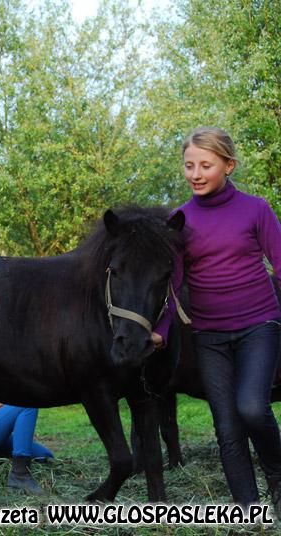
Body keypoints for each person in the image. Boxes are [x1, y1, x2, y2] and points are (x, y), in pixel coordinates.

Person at [153, 126, 281, 510]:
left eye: (205, 165)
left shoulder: (256, 208)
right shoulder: (180, 218)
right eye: (189, 165)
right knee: (226, 427)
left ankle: (277, 476)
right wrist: (160, 330)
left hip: (259, 325)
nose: (195, 173)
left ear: (228, 165)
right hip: (208, 335)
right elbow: (173, 282)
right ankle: (248, 509)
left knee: (252, 408)